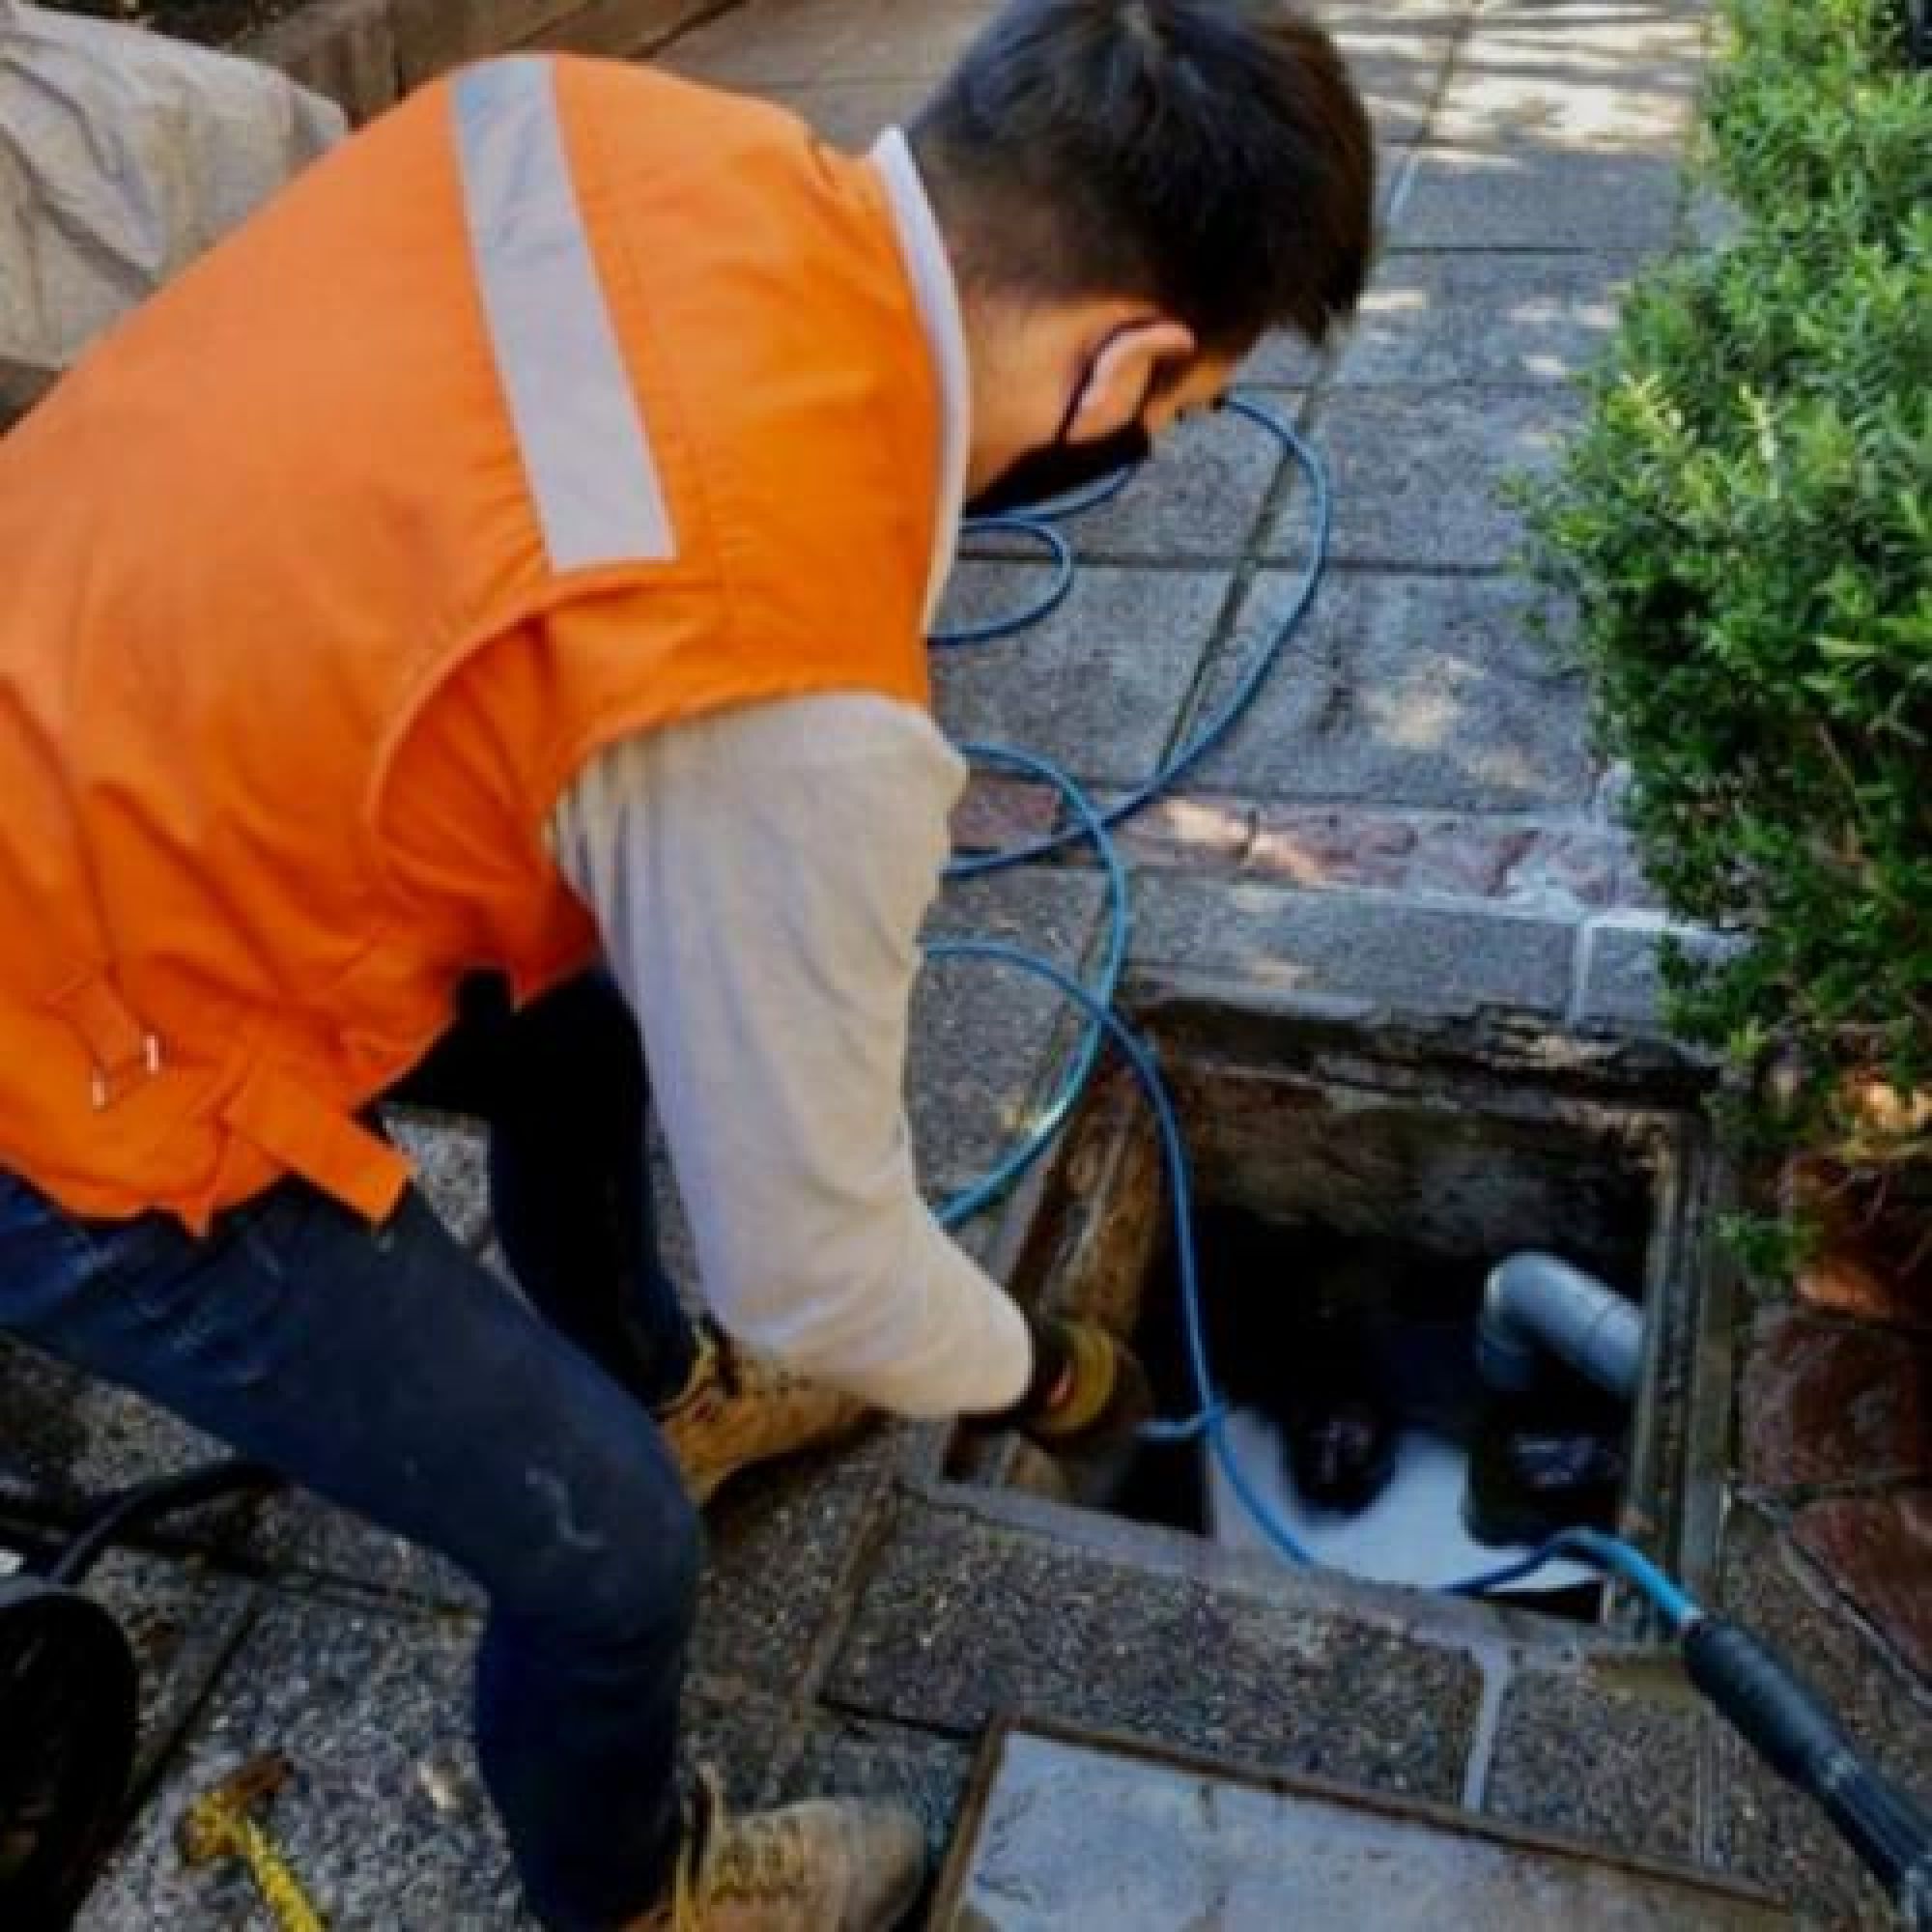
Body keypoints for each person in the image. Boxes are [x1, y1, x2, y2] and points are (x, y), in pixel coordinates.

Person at [0, 1, 1372, 1925]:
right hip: (61, 1053)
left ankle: (650, 1371)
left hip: (99, 719)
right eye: (1179, 407)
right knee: (606, 1545)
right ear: (1129, 357)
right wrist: (1044, 1366)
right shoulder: (782, 691)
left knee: (587, 1001)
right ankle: (642, 1892)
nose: (1152, 437)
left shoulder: (585, 124)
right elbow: (814, 1261)